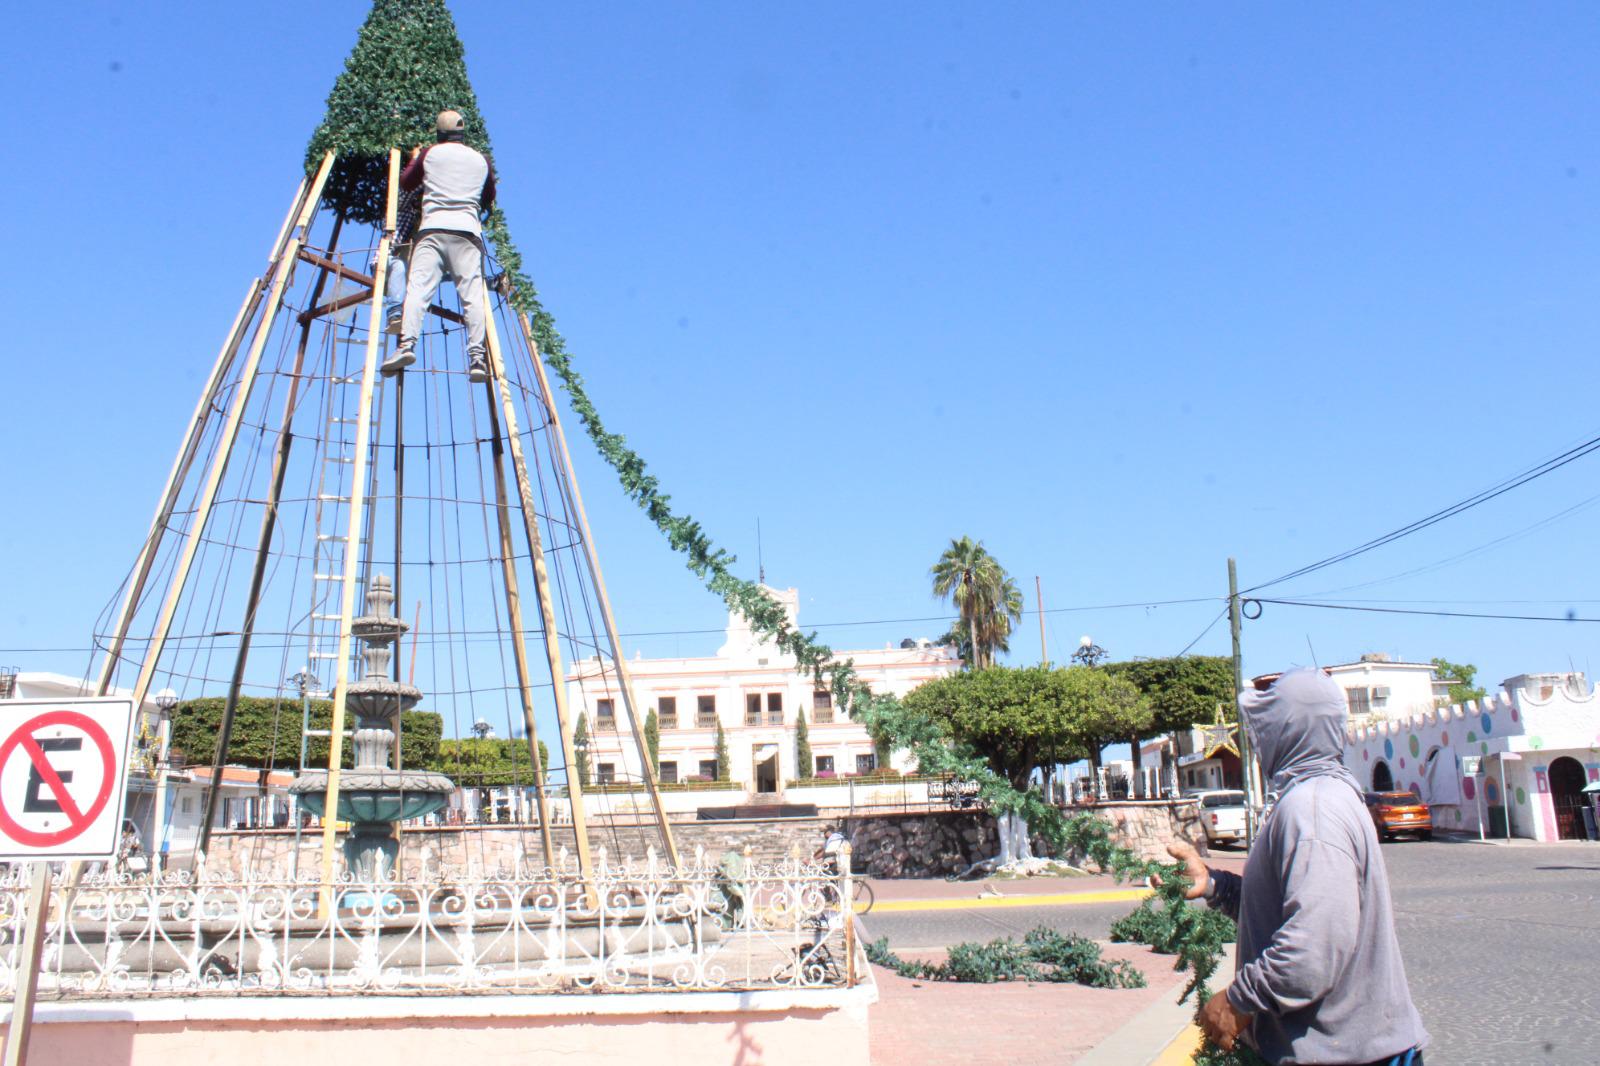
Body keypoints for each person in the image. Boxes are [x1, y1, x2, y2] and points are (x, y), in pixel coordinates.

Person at [1163, 667, 1427, 1065]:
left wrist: (1239, 1001)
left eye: (1263, 729)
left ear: (1289, 730)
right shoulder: (1322, 794)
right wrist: (1217, 885)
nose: (1256, 742)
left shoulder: (1314, 808)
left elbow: (1314, 948)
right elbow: (1288, 911)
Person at [381, 109, 498, 383]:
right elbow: (489, 194)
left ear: (439, 132)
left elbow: (407, 182)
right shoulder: (481, 161)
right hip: (468, 233)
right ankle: (477, 357)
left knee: (418, 290)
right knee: (472, 295)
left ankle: (407, 344)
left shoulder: (430, 154)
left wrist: (418, 161)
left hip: (432, 230)